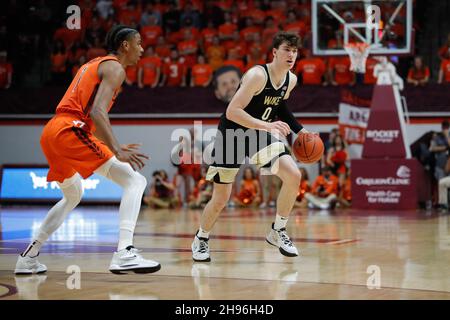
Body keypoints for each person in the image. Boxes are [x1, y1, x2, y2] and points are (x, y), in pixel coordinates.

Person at [15, 25, 161, 275]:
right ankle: (125, 253)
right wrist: (115, 149)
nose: (141, 48)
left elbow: (85, 115)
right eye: (138, 43)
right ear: (125, 45)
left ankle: (28, 257)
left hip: (53, 131)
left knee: (73, 195)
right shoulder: (115, 67)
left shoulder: (93, 64)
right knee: (134, 180)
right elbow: (96, 112)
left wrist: (110, 145)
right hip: (69, 131)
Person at [191, 32, 312, 262]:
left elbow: (280, 105)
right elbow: (232, 111)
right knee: (221, 198)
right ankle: (201, 238)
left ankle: (278, 230)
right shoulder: (257, 75)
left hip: (259, 133)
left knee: (293, 175)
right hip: (232, 133)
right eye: (287, 49)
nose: (291, 55)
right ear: (275, 52)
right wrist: (267, 126)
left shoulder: (291, 80)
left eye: (295, 51)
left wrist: (300, 130)